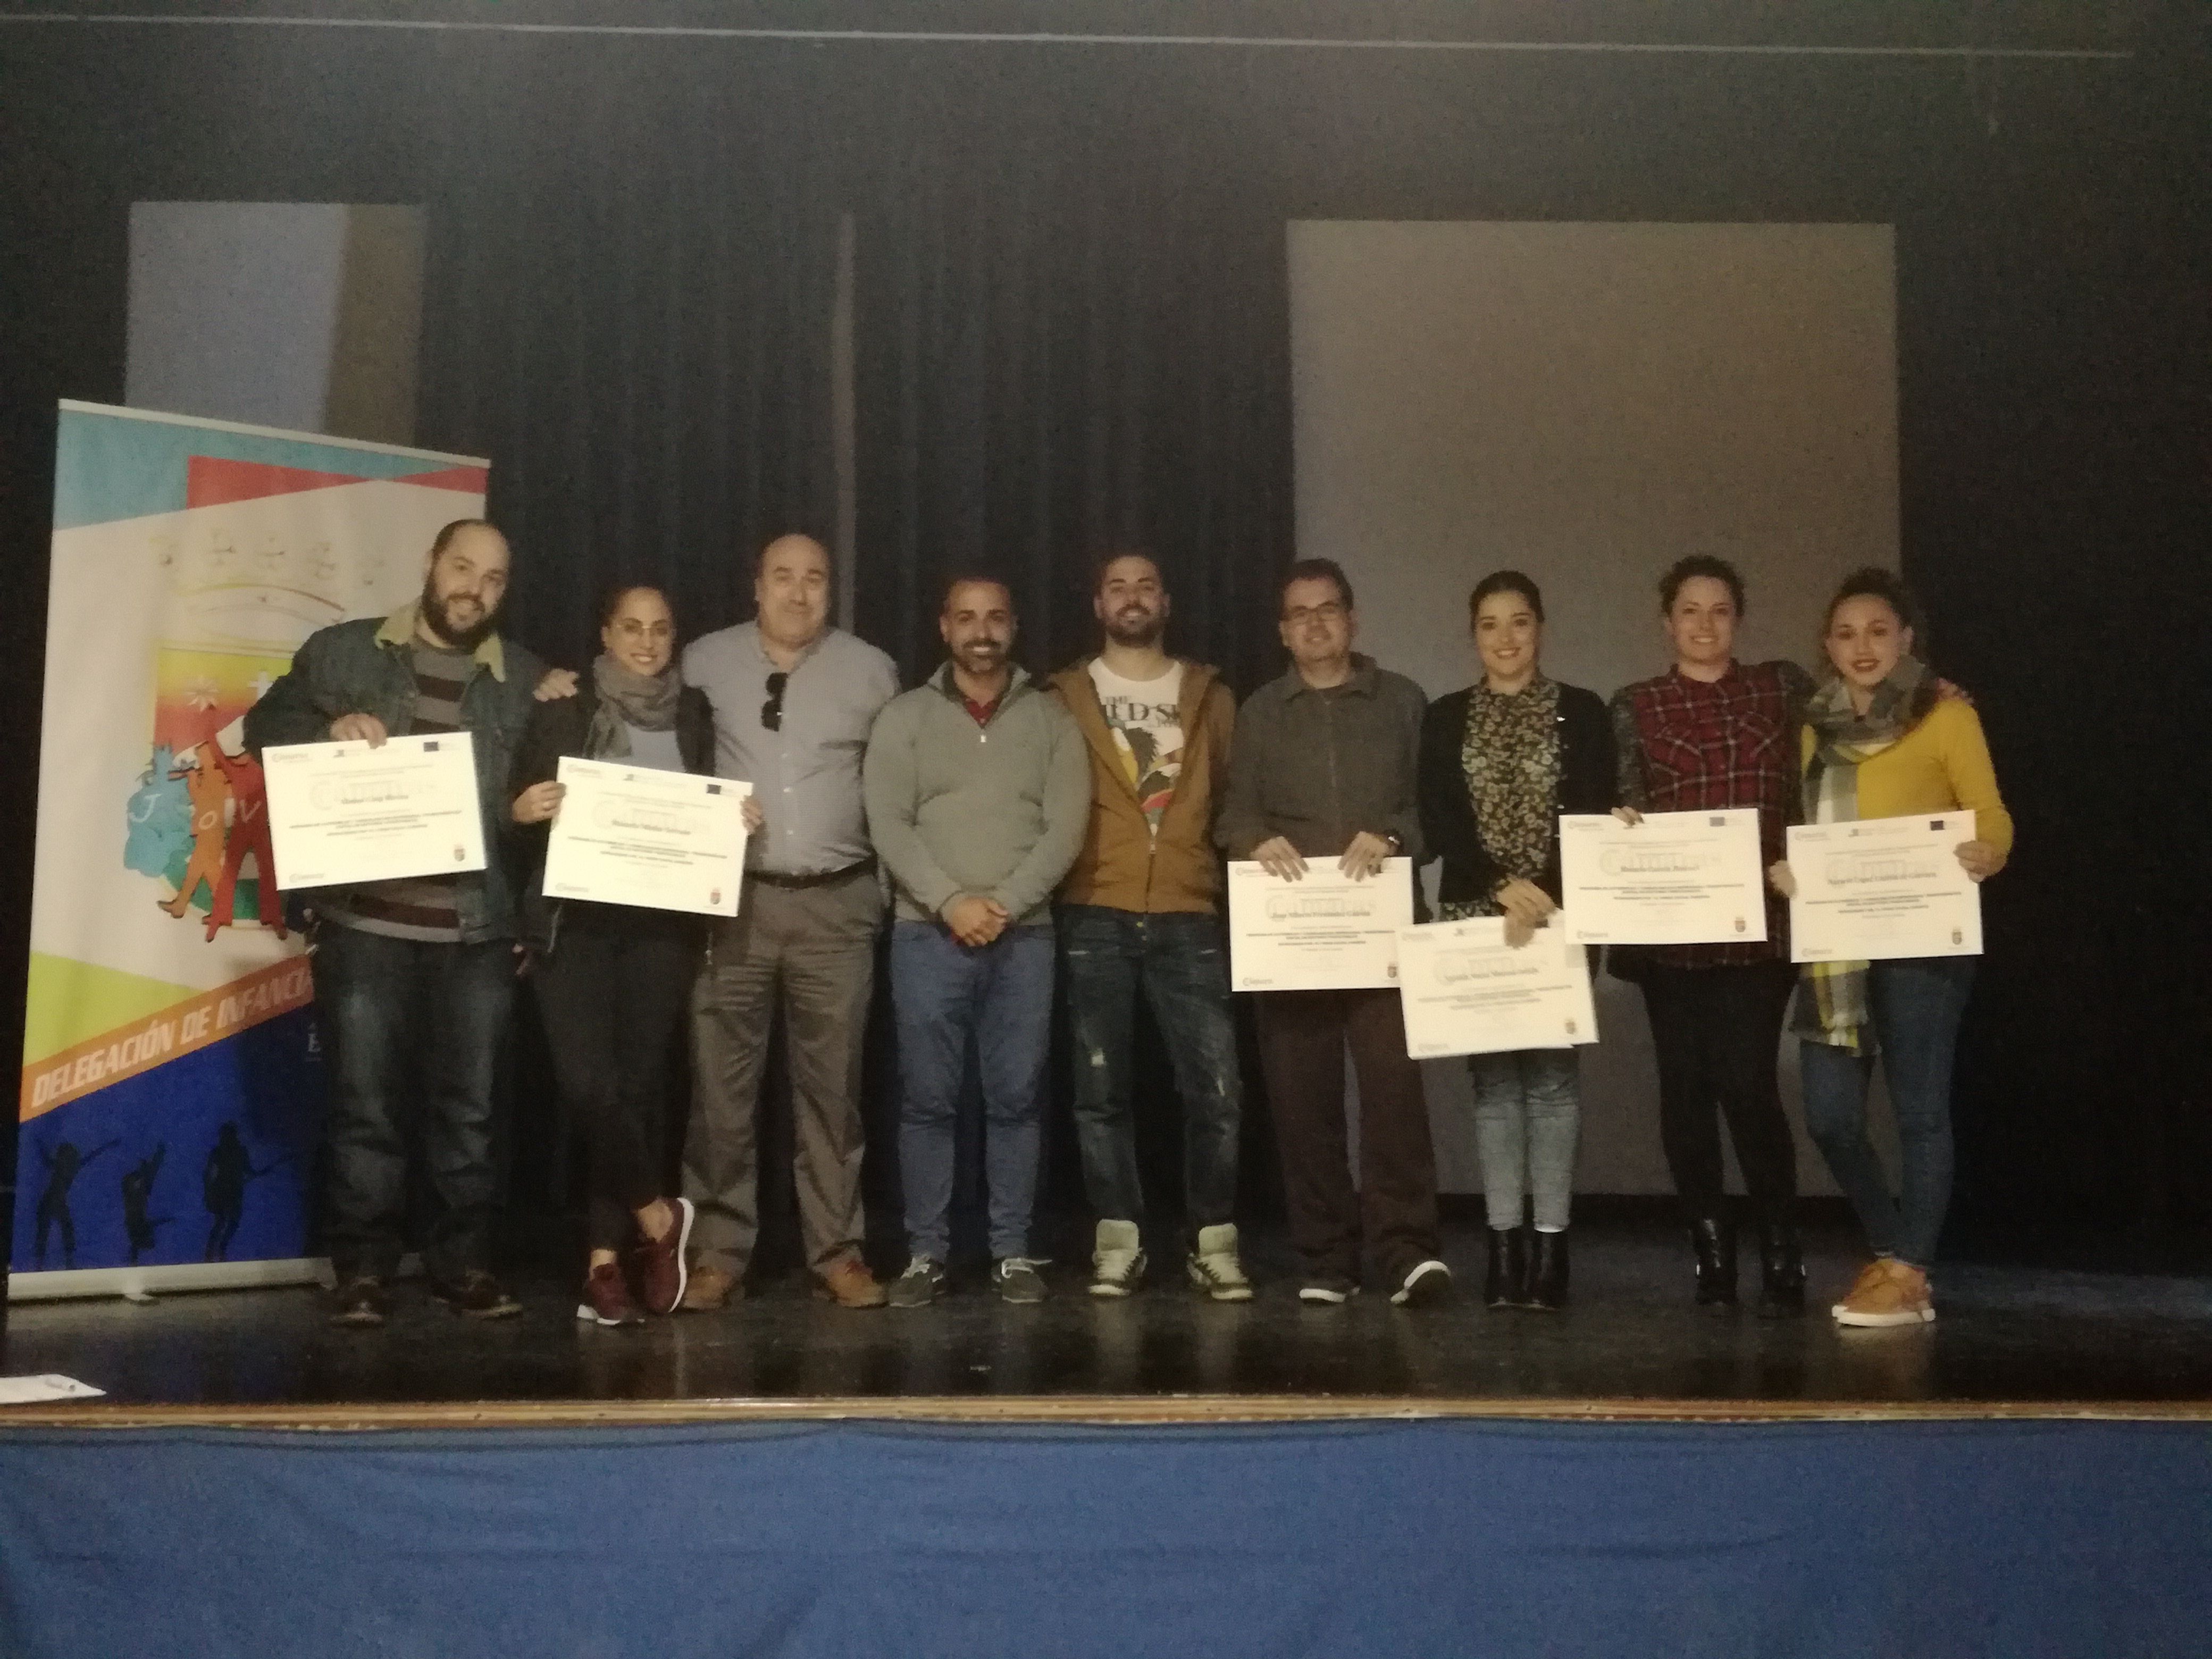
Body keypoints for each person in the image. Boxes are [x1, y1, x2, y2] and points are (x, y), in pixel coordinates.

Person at [245, 518, 550, 1327]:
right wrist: (327, 730)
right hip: (363, 924)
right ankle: (363, 1272)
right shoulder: (342, 652)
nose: (475, 589)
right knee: (365, 1110)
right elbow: (261, 729)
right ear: (431, 564)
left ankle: (463, 1266)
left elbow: (538, 809)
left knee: (471, 1114)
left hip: (476, 932)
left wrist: (529, 904)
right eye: (463, 568)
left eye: (494, 578)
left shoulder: (526, 679)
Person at [1768, 568, 2010, 1328]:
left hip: (1924, 941)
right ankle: (1892, 1252)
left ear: (1906, 638)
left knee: (1919, 1114)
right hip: (1838, 945)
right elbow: (1802, 828)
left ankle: (1908, 1270)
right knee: (1831, 1117)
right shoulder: (1813, 726)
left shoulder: (1945, 714)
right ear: (1828, 646)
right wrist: (1788, 868)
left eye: (1878, 631)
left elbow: (1991, 815)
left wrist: (1988, 851)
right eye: (1846, 634)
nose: (1863, 646)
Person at [1217, 558, 1451, 1308]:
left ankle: (1407, 1252)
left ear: (1353, 619)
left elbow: (1433, 812)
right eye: (1299, 614)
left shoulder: (1403, 701)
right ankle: (1325, 1257)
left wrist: (1393, 834)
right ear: (1283, 633)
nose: (1314, 624)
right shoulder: (1261, 711)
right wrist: (1254, 840)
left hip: (1384, 934)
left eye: (1327, 609)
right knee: (1301, 1103)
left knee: (1395, 1102)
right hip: (1291, 938)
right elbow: (1233, 815)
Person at [676, 534, 899, 1311]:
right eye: (783, 578)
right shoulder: (702, 662)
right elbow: (637, 720)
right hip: (733, 901)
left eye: (815, 580)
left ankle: (837, 1252)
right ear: (756, 586)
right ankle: (716, 1254)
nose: (799, 594)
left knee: (833, 1092)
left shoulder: (872, 670)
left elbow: (897, 781)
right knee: (720, 1091)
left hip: (839, 904)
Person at [864, 575, 1088, 1306]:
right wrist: (952, 902)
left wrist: (1006, 906)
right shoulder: (904, 717)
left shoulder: (1053, 720)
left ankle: (1012, 1253)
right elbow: (888, 822)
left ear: (1014, 627)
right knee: (927, 1102)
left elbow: (1067, 827)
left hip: (1025, 940)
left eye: (995, 618)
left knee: (1017, 1100)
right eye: (966, 618)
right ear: (944, 627)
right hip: (926, 936)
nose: (981, 631)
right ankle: (925, 1254)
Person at [509, 584, 719, 1327]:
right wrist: (521, 810)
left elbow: (709, 804)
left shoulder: (694, 713)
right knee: (587, 1087)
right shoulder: (564, 705)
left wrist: (735, 817)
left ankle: (603, 1264)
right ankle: (660, 1217)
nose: (646, 642)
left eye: (660, 629)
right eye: (632, 627)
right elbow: (515, 804)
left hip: (661, 930)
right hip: (575, 927)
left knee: (633, 1093)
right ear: (606, 634)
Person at [1608, 555, 1812, 1317]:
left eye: (1720, 610)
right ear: (1667, 623)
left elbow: (1859, 722)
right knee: (1686, 1094)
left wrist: (1932, 691)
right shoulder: (1636, 703)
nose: (1704, 624)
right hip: (1670, 931)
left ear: (1739, 620)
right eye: (1689, 611)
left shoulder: (1781, 688)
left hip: (1759, 926)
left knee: (1748, 1084)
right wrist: (1622, 826)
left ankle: (1782, 1246)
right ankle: (1712, 1251)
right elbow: (1626, 798)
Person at [1048, 551, 1250, 1301]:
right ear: (1098, 605)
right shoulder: (1061, 696)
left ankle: (1213, 1242)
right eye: (1117, 587)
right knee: (1100, 1092)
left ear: (1166, 602)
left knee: (1217, 1092)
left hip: (1189, 911)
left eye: (1146, 587)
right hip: (1094, 908)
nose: (1132, 598)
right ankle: (1118, 1242)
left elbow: (1234, 801)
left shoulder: (1212, 696)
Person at [1417, 572, 1615, 1311]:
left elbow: (1593, 809)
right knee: (1495, 1087)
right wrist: (1503, 883)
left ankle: (1552, 1249)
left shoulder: (1583, 711)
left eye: (1520, 622)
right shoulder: (1444, 717)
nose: (1506, 638)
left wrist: (1544, 893)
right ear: (1473, 636)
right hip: (1476, 915)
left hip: (1560, 916)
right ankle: (1504, 1248)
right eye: (1490, 624)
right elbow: (1439, 819)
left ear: (1541, 629)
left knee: (1555, 1086)